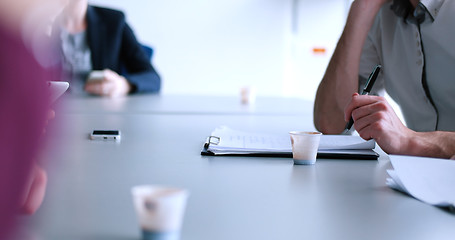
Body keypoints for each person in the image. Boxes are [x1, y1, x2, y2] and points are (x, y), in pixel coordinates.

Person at [313, 0, 455, 159]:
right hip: (414, 176)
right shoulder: (381, 14)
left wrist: (410, 140)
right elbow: (331, 123)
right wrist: (362, 8)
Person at [54, 0, 161, 97]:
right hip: (51, 110)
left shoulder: (113, 21)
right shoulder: (40, 22)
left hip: (100, 110)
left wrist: (123, 85)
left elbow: (153, 78)